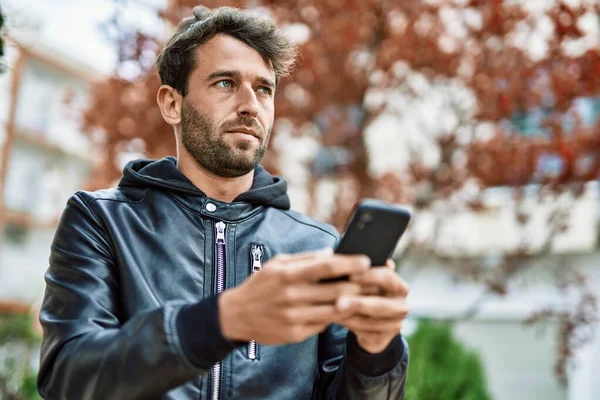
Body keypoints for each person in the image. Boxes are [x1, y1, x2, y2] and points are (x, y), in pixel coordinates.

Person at [37, 6, 410, 400]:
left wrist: (375, 351)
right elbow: (68, 376)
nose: (251, 105)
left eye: (264, 89)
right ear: (171, 104)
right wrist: (223, 320)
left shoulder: (319, 247)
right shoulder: (102, 220)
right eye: (225, 83)